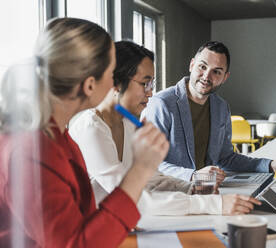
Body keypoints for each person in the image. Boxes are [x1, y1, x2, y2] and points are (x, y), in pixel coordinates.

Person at [0, 18, 168, 247]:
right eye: (111, 74)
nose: (114, 84)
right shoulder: (32, 151)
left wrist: (111, 220)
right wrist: (141, 169)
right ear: (89, 85)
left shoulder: (59, 137)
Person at [69, 40, 262, 216]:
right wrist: (213, 204)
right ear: (116, 82)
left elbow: (147, 175)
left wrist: (190, 188)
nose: (151, 92)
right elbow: (129, 197)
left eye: (152, 83)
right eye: (145, 83)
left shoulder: (127, 122)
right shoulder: (90, 128)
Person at [142, 41, 276, 182]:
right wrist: (193, 176)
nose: (206, 76)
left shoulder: (221, 107)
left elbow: (226, 158)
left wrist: (270, 165)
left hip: (207, 189)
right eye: (202, 67)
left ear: (225, 77)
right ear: (192, 65)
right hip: (170, 192)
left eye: (216, 72)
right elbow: (148, 163)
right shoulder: (161, 104)